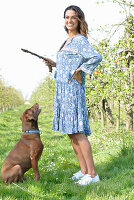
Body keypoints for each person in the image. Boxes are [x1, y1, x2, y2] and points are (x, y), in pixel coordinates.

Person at [44, 5, 102, 186]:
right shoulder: (66, 41)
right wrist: (55, 63)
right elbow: (68, 64)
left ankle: (92, 174)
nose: (69, 21)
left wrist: (81, 70)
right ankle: (83, 170)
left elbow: (96, 57)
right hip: (62, 91)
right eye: (67, 17)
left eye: (73, 18)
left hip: (73, 91)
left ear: (79, 20)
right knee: (71, 133)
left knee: (78, 132)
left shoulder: (79, 40)